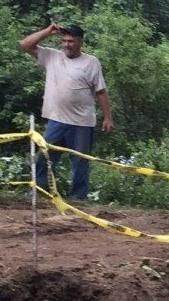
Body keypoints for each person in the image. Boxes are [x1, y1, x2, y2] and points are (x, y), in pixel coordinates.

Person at [20, 20, 113, 201]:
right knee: (45, 158)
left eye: (71, 41)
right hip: (56, 119)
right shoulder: (52, 56)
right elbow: (25, 44)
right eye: (64, 41)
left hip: (81, 122)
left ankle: (78, 198)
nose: (66, 45)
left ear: (80, 42)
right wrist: (48, 31)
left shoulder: (91, 62)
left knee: (80, 162)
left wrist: (108, 117)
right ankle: (41, 192)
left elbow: (101, 91)